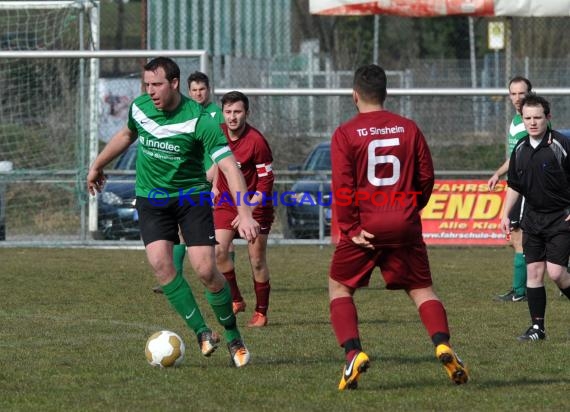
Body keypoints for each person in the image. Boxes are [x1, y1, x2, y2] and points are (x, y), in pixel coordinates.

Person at [87, 57, 259, 367]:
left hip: (190, 197)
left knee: (206, 269)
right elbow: (126, 135)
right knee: (160, 264)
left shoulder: (200, 118)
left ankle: (233, 336)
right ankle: (202, 333)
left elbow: (228, 165)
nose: (150, 91)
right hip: (151, 198)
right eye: (147, 85)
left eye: (157, 85)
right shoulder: (139, 108)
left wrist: (244, 212)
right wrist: (98, 164)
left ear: (175, 84)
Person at [328, 64, 468, 390]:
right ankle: (443, 345)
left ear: (354, 95)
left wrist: (349, 226)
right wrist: (409, 209)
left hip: (365, 225)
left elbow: (343, 185)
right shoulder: (408, 128)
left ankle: (352, 355)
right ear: (385, 93)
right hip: (404, 222)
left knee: (340, 288)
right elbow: (427, 177)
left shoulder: (346, 133)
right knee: (421, 290)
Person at [152, 71, 230, 295]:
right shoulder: (184, 113)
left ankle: (223, 279)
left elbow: (226, 150)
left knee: (223, 234)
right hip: (193, 180)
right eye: (194, 90)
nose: (198, 94)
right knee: (180, 229)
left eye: (202, 89)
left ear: (209, 90)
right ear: (188, 91)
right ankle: (174, 277)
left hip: (216, 179)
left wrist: (214, 177)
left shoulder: (218, 114)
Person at [500, 94, 570, 342]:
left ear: (548, 118)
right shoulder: (520, 148)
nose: (532, 122)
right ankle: (537, 329)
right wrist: (505, 213)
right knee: (534, 273)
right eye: (527, 118)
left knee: (557, 273)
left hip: (561, 219)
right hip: (533, 219)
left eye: (537, 117)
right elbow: (515, 185)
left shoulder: (560, 144)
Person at [214, 91, 275, 327]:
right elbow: (217, 162)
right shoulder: (217, 132)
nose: (232, 117)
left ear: (246, 113)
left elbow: (266, 182)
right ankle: (236, 299)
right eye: (228, 112)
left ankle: (261, 312)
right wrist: (213, 185)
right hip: (227, 202)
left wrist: (247, 210)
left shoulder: (257, 141)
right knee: (219, 252)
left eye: (237, 112)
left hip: (255, 205)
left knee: (256, 259)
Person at [488, 77, 532, 303]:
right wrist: (498, 173)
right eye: (513, 94)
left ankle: (520, 291)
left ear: (529, 93)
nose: (517, 98)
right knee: (516, 238)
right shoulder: (516, 120)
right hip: (515, 183)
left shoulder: (533, 120)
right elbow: (513, 157)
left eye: (521, 93)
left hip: (526, 187)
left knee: (519, 238)